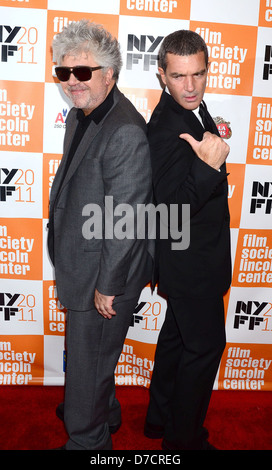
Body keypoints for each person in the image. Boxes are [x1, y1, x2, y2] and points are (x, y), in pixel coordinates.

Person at [47, 19, 153, 450]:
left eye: (83, 72)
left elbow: (125, 219)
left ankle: (87, 440)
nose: (72, 81)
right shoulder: (84, 112)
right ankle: (102, 411)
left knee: (88, 368)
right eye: (64, 72)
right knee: (94, 363)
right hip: (84, 262)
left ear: (109, 74)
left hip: (105, 277)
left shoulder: (124, 130)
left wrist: (108, 287)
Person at [144, 30, 232, 450]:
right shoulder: (164, 128)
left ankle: (159, 421)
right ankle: (184, 442)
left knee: (178, 340)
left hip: (196, 260)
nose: (191, 86)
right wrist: (210, 168)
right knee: (206, 348)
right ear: (162, 75)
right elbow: (169, 209)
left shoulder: (189, 107)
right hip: (190, 265)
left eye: (198, 74)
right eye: (179, 77)